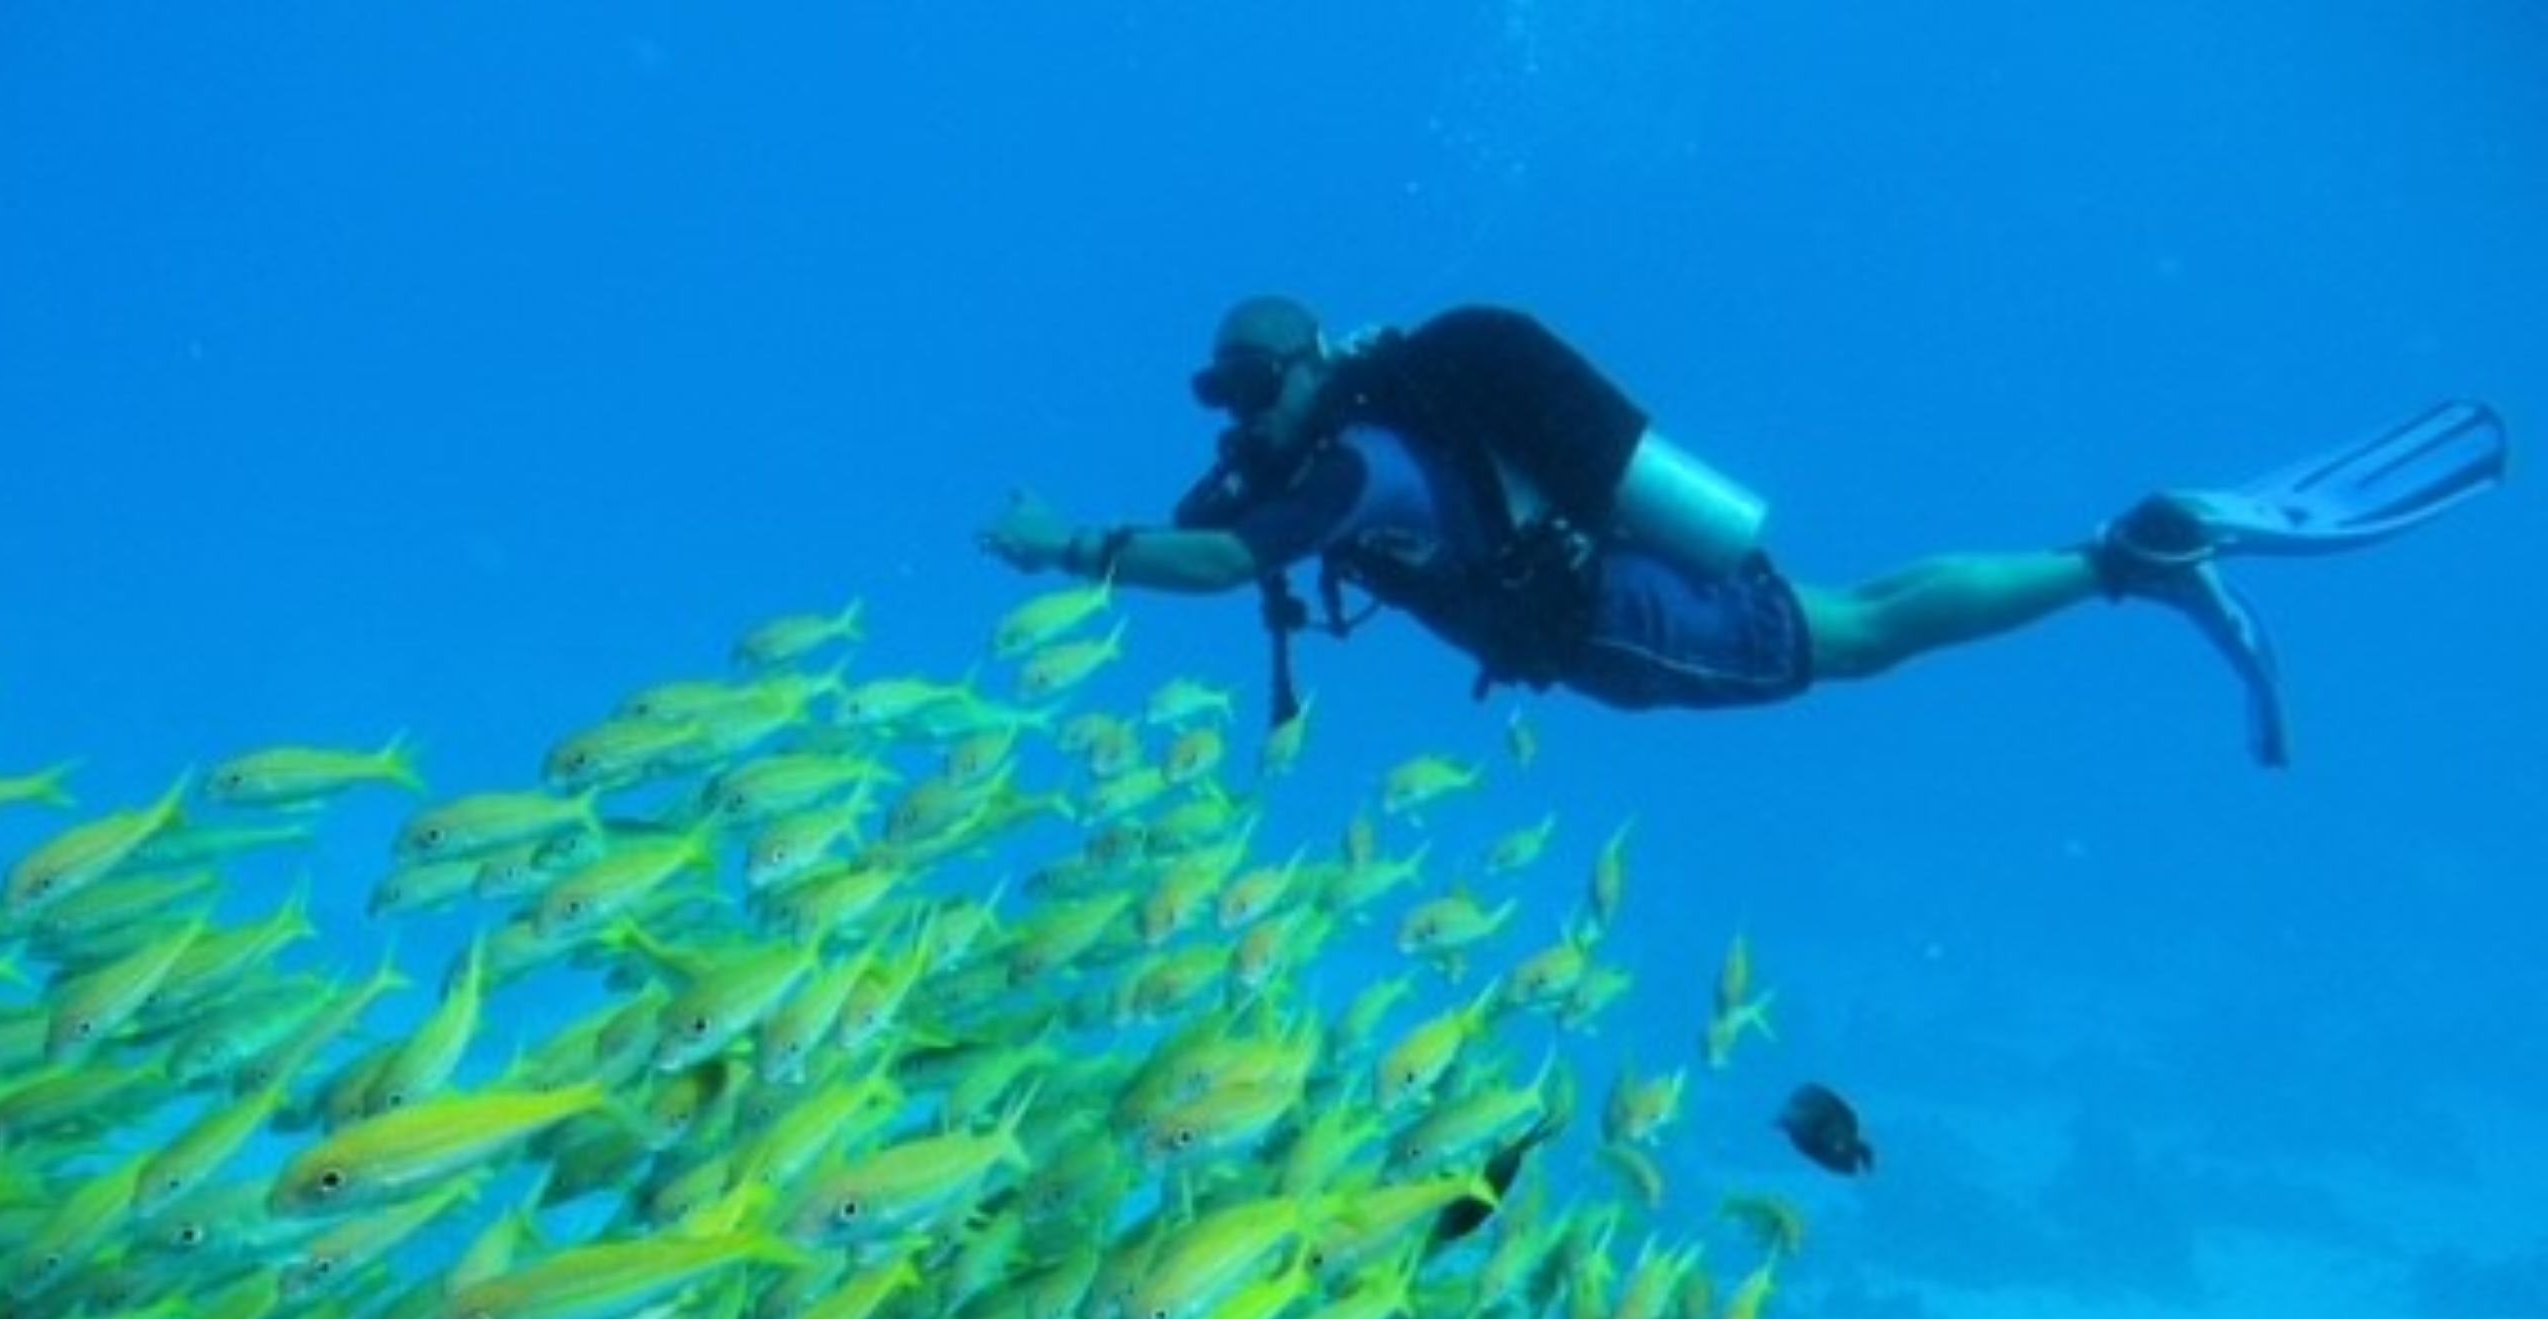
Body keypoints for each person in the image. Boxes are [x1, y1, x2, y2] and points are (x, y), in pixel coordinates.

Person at [978, 295, 2504, 768]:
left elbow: (1216, 561)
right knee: (1856, 614)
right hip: (1604, 590)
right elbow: (1215, 525)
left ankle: (2130, 556)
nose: (1243, 413)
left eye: (1259, 384)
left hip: (1619, 618)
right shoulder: (1342, 450)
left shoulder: (1356, 465)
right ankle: (2119, 556)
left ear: (1317, 365)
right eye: (1227, 393)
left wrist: (1065, 545)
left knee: (1858, 639)